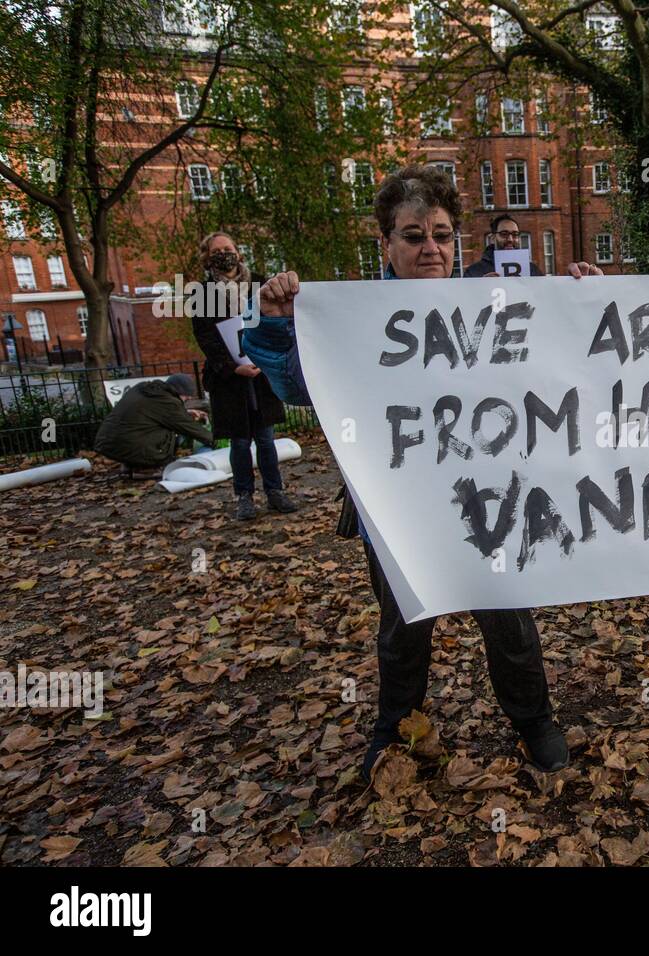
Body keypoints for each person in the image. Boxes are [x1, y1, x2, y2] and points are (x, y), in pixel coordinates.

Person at [257, 165, 604, 780]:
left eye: (442, 235)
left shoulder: (493, 300)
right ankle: (396, 730)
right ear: (386, 244)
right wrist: (281, 320)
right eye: (413, 236)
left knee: (508, 618)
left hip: (491, 499)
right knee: (403, 629)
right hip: (399, 508)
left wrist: (583, 299)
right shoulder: (354, 316)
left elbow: (564, 363)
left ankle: (534, 722)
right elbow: (296, 385)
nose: (431, 248)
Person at [190, 232, 297, 520]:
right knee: (239, 442)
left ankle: (275, 492)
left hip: (261, 374)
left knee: (266, 438)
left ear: (238, 252)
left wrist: (265, 357)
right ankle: (244, 496)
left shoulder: (260, 283)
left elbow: (277, 321)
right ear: (207, 257)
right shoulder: (202, 293)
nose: (224, 254)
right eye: (217, 250)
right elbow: (205, 336)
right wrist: (232, 366)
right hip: (230, 379)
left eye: (228, 248)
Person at [93, 373, 213, 474]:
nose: (187, 400)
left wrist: (184, 412)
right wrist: (216, 440)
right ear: (179, 392)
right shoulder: (169, 402)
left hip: (108, 443)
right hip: (131, 445)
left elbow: (145, 415)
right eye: (187, 397)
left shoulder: (142, 389)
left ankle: (132, 464)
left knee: (153, 428)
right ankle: (148, 466)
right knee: (173, 432)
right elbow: (190, 428)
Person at [462, 213, 543, 277]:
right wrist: (482, 287)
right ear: (493, 238)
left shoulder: (532, 269)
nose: (510, 239)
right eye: (504, 234)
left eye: (515, 234)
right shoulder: (474, 272)